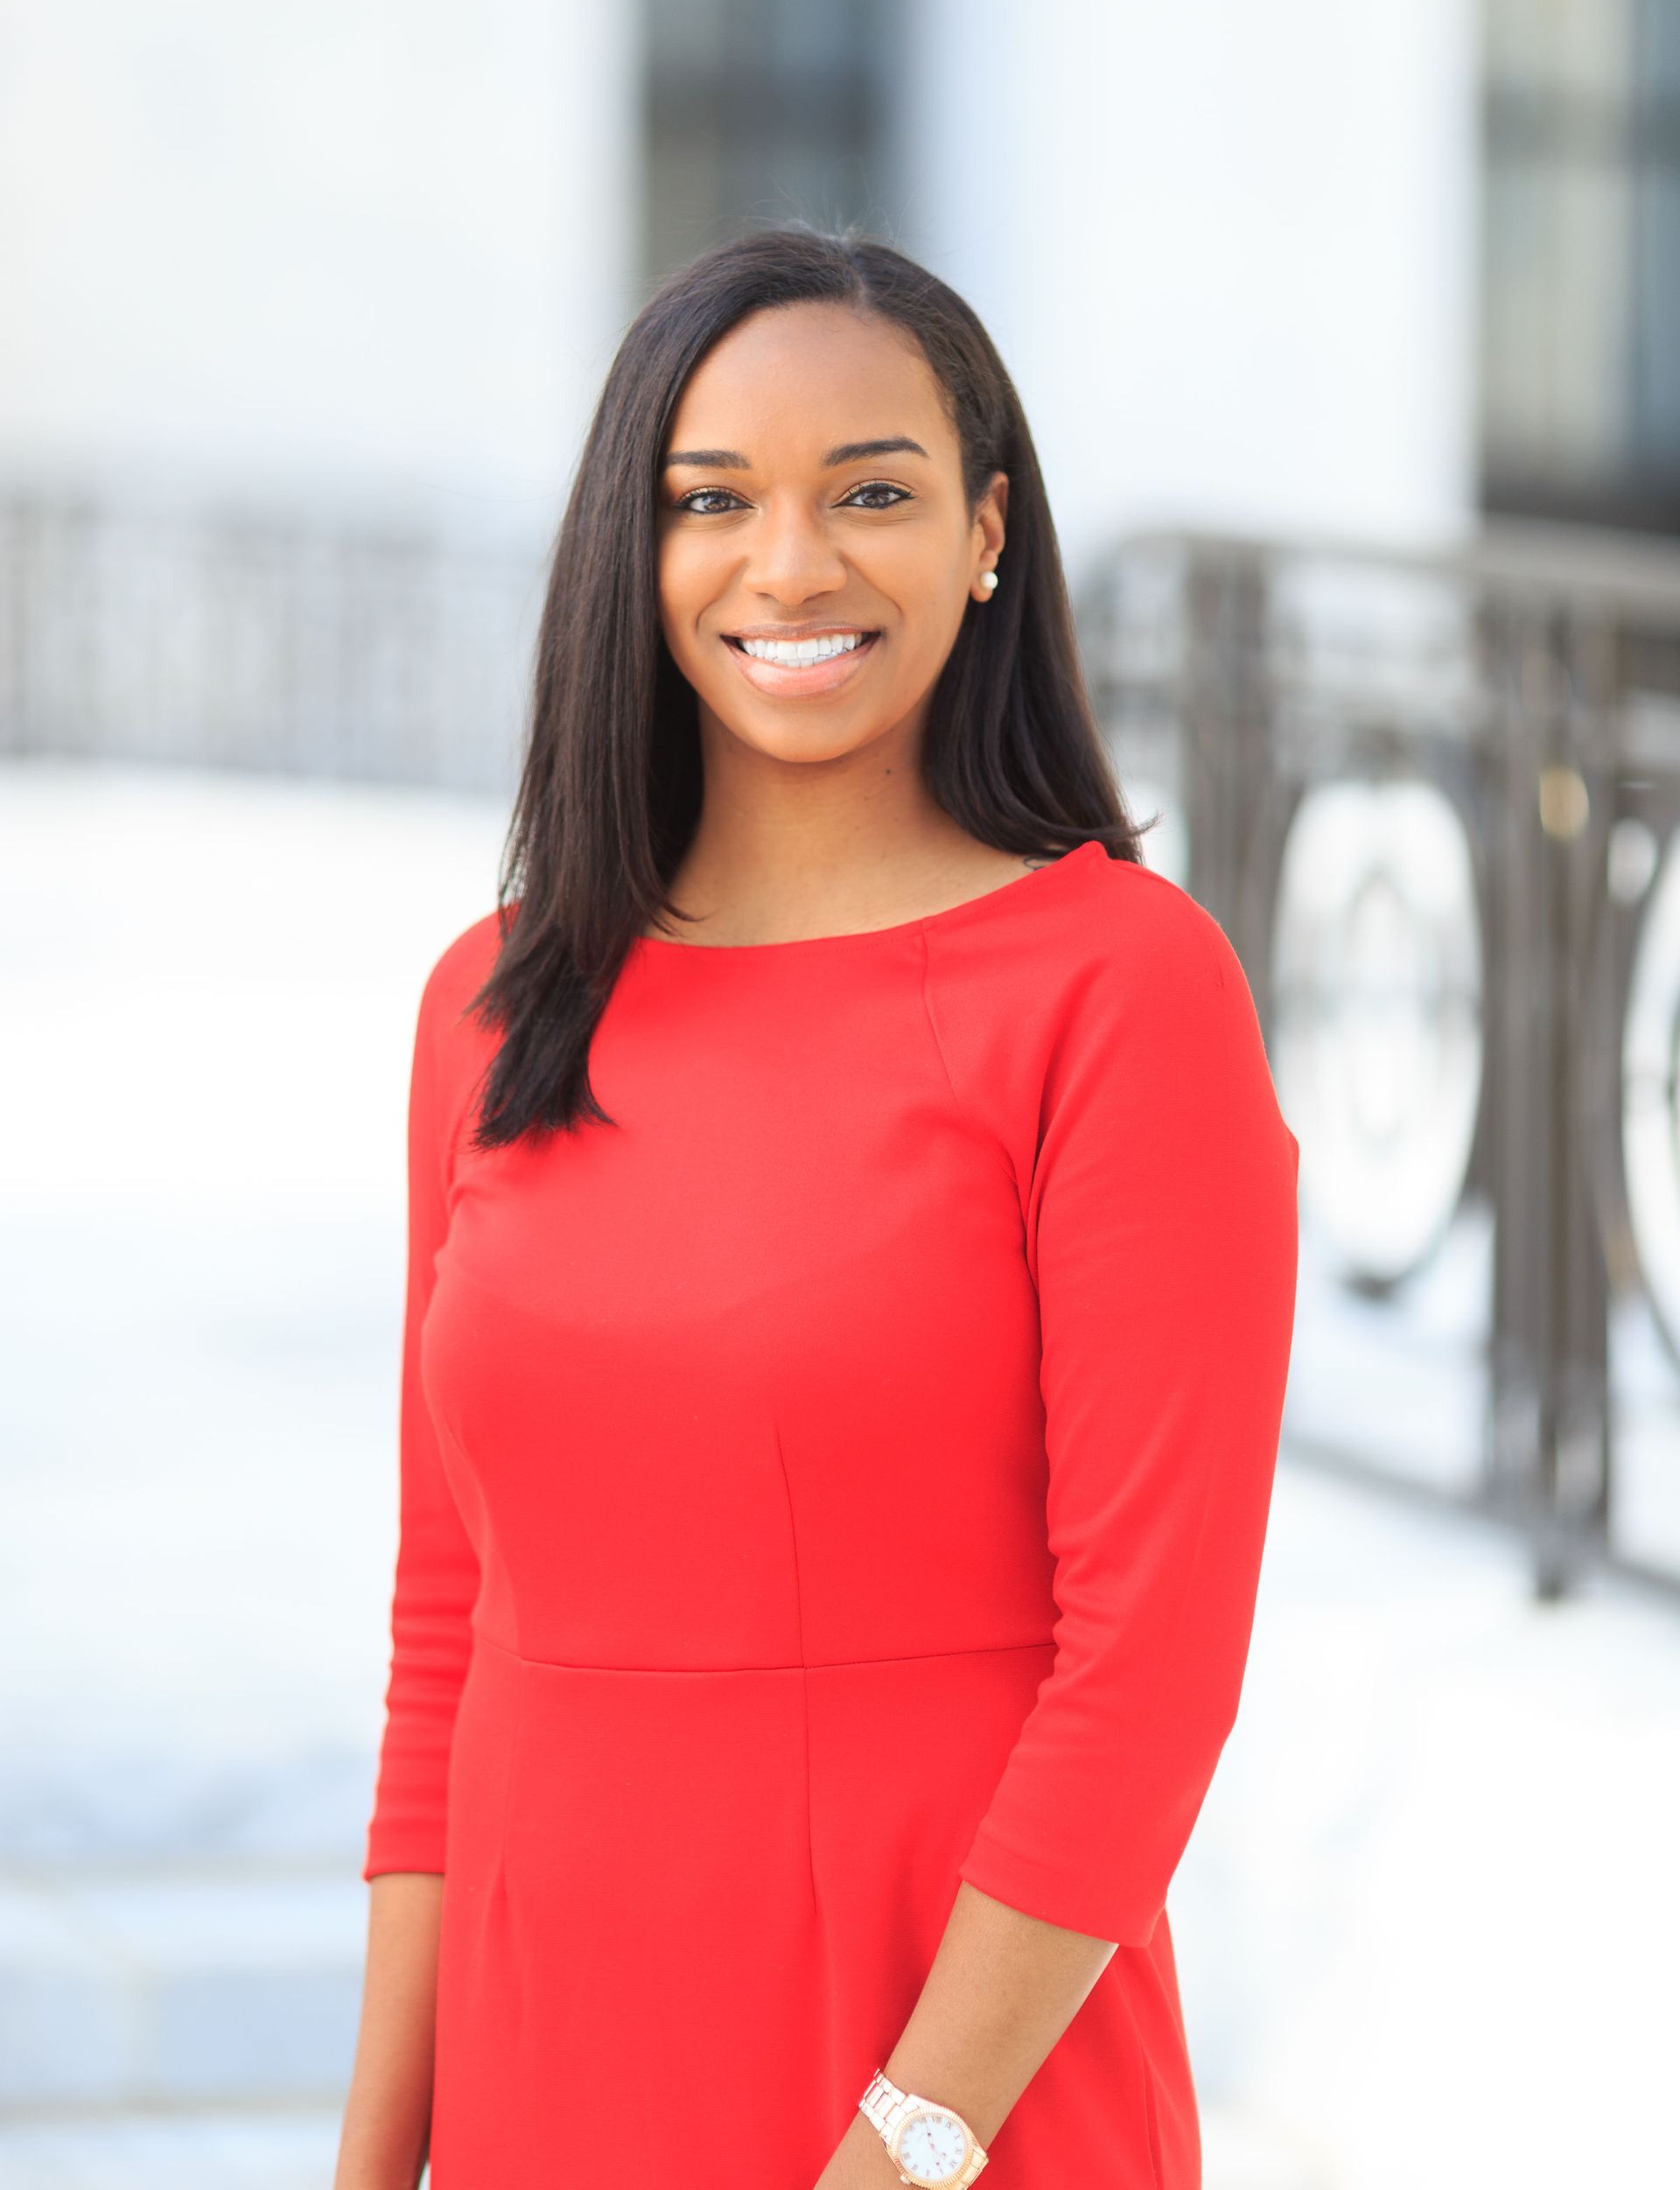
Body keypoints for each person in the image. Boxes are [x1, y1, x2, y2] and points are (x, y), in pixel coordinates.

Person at [333, 225, 1300, 2190]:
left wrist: (908, 2141)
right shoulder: (496, 1004)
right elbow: (451, 1632)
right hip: (553, 2070)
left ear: (987, 535)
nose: (791, 567)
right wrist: (375, 2160)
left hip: (946, 2083)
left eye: (873, 492)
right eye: (715, 503)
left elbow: (1151, 1670)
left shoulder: (1122, 991)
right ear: (638, 548)